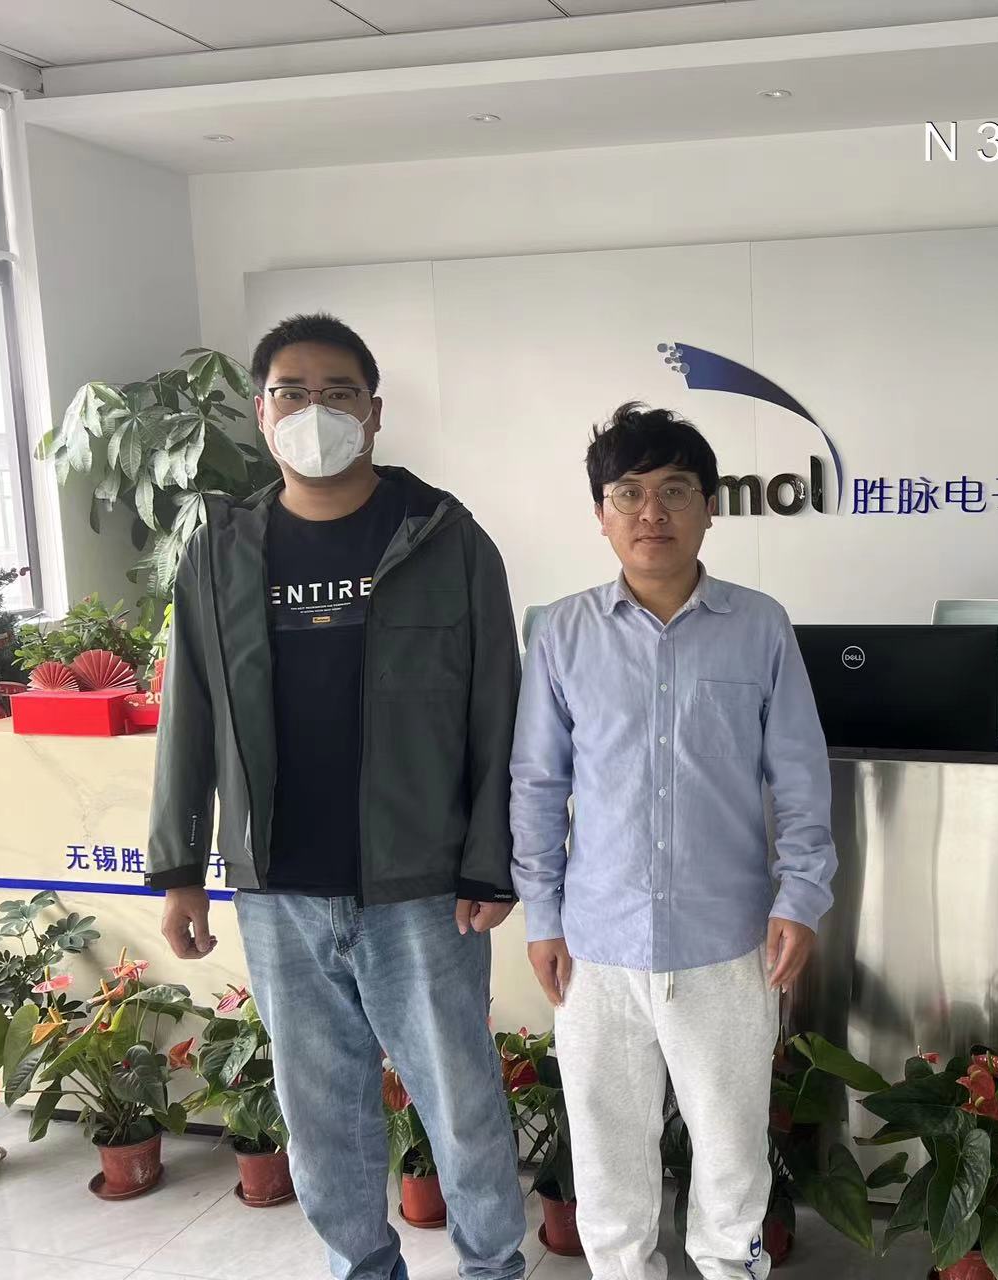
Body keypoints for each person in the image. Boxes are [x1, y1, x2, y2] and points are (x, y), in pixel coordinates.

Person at [147, 313, 527, 1280]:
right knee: (322, 1120)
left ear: (375, 411)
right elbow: (189, 713)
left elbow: (498, 710)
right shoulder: (221, 549)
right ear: (261, 412)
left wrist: (491, 862)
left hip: (422, 887)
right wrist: (180, 868)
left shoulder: (444, 538)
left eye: (337, 393)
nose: (314, 411)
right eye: (292, 392)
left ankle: (493, 1270)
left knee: (462, 1107)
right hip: (281, 887)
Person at [509, 402, 837, 1280]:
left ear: (709, 507)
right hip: (596, 946)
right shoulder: (562, 634)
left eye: (675, 490)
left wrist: (801, 896)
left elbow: (800, 776)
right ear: (601, 513)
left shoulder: (759, 626)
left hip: (725, 942)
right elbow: (537, 785)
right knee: (608, 1165)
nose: (650, 512)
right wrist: (542, 915)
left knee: (730, 1159)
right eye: (628, 492)